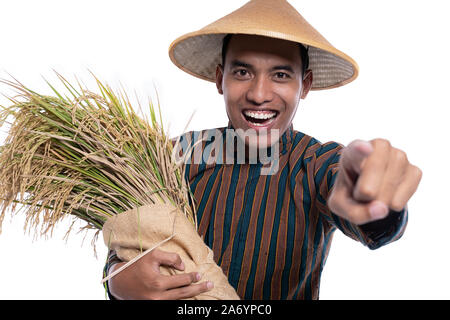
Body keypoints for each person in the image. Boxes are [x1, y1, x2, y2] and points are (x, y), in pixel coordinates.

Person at [102, 0, 422, 300]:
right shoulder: (175, 156)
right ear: (220, 79)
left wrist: (374, 198)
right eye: (242, 72)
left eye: (280, 75)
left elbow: (354, 194)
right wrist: (117, 277)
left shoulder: (316, 164)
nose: (258, 94)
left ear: (304, 85)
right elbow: (128, 238)